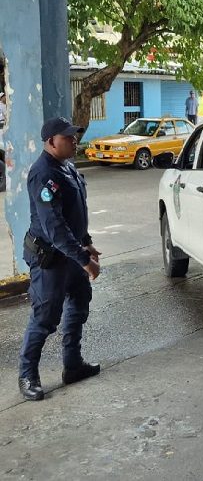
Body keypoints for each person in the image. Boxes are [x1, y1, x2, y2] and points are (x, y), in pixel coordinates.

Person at [19, 117, 102, 401]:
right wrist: (84, 259)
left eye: (75, 136)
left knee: (79, 305)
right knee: (45, 318)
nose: (74, 140)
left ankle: (73, 365)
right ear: (51, 141)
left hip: (72, 254)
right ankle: (27, 375)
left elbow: (76, 212)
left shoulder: (67, 167)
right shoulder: (43, 174)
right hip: (51, 258)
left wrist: (87, 243)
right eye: (68, 137)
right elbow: (54, 227)